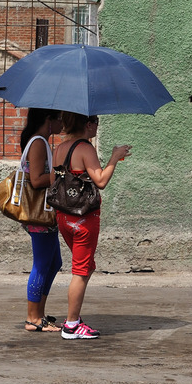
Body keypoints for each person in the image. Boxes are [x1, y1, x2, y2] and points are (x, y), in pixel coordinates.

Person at [52, 112, 132, 339]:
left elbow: (54, 181)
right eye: (96, 122)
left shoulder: (59, 149)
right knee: (80, 271)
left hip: (64, 217)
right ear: (88, 124)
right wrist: (114, 158)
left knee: (84, 267)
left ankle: (73, 318)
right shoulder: (86, 149)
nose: (97, 126)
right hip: (84, 220)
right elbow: (101, 181)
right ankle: (71, 325)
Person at [20, 108, 63, 333]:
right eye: (59, 119)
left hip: (44, 214)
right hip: (39, 214)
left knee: (55, 263)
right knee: (42, 264)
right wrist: (61, 174)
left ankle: (40, 314)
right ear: (48, 120)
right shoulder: (37, 142)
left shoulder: (41, 142)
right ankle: (32, 318)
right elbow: (36, 180)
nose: (62, 124)